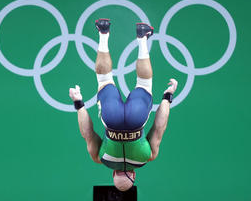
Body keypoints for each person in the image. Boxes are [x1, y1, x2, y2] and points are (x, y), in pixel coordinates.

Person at [69, 19, 178, 191]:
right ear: (113, 174)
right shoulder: (101, 159)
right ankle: (103, 33)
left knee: (143, 83)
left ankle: (142, 38)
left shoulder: (147, 157)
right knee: (104, 79)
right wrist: (78, 103)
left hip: (136, 119)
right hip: (112, 119)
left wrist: (167, 97)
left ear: (133, 175)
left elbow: (159, 127)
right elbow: (87, 133)